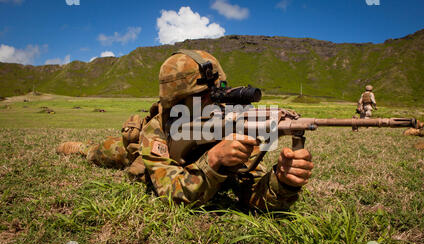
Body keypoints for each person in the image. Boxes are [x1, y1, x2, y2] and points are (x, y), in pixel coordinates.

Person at [57, 50, 314, 211]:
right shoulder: (158, 127)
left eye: (215, 95)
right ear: (175, 101)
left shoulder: (230, 123)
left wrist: (282, 182)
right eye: (201, 98)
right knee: (103, 153)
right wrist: (214, 160)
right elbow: (172, 195)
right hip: (137, 151)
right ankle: (80, 147)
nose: (212, 103)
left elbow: (254, 196)